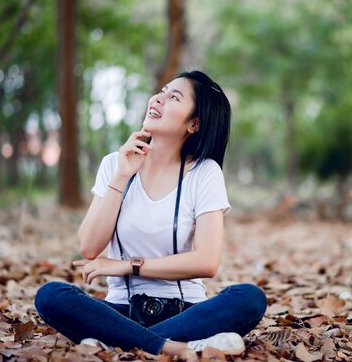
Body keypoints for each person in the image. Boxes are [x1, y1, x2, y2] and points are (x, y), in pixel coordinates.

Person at [35, 71, 267, 356]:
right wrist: (120, 177)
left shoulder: (204, 173)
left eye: (174, 97)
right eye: (162, 91)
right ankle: (175, 347)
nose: (158, 99)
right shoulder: (114, 164)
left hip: (185, 312)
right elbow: (90, 246)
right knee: (51, 296)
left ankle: (120, 343)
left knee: (249, 298)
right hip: (121, 310)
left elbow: (207, 262)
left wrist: (127, 265)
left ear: (194, 124)